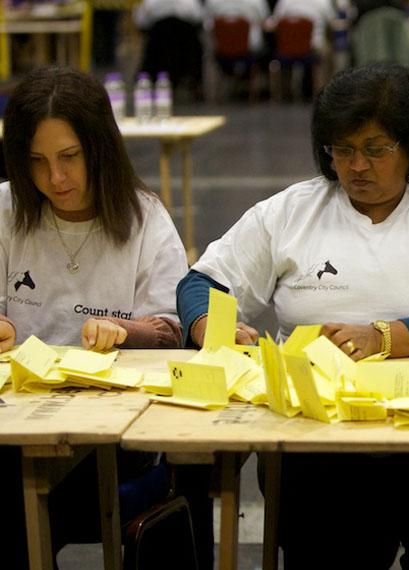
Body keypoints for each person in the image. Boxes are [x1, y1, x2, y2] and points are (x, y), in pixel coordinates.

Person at [177, 62, 409, 569]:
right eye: (343, 149)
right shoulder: (291, 212)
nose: (357, 166)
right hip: (318, 436)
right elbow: (201, 282)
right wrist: (211, 325)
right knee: (323, 518)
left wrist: (383, 337)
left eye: (377, 149)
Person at [0, 66, 193, 567]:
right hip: (18, 421)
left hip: (110, 436)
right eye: (37, 162)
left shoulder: (144, 218)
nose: (55, 179)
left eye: (69, 157)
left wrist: (128, 332)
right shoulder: (5, 211)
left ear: (100, 148)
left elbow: (176, 333)